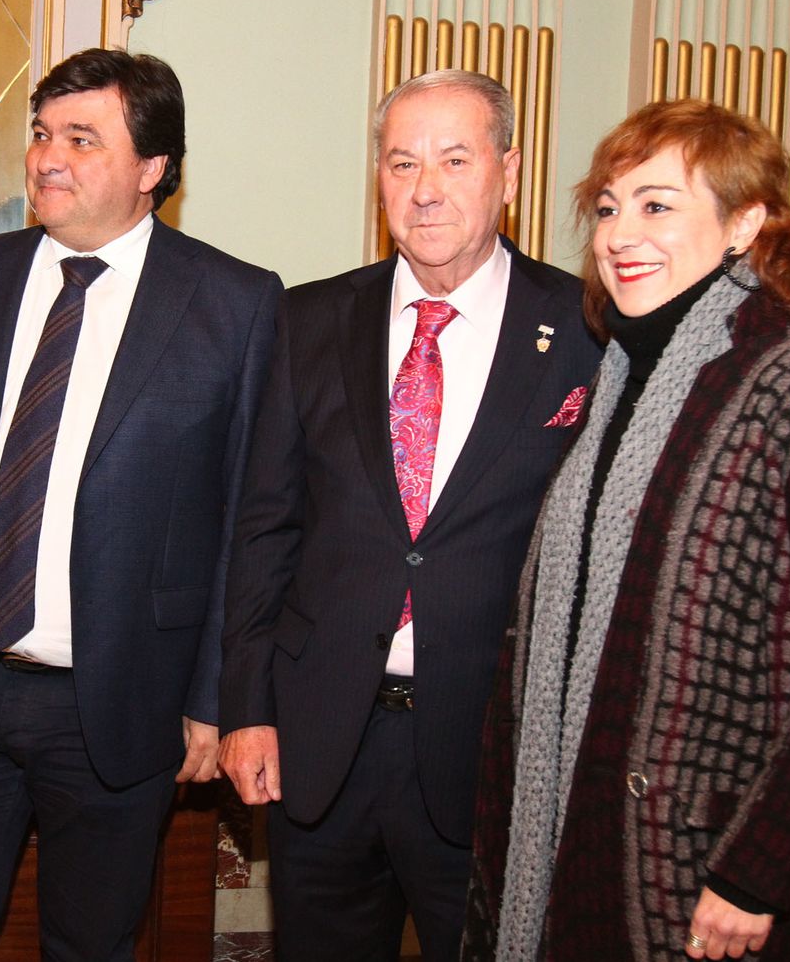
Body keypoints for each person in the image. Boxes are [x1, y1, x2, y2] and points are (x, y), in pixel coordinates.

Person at [0, 47, 282, 961]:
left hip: (119, 705)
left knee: (92, 943)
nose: (48, 158)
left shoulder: (235, 304)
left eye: (82, 138)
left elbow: (249, 520)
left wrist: (215, 696)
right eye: (42, 134)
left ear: (152, 168)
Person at [462, 99, 790, 961]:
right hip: (571, 844)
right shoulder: (621, 379)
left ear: (745, 223)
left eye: (658, 204)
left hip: (702, 871)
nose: (620, 232)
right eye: (607, 206)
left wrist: (758, 869)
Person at [218, 69, 602, 961]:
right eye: (402, 162)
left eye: (454, 159)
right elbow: (262, 528)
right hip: (321, 743)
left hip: (491, 752)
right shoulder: (307, 319)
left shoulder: (584, 329)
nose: (425, 188)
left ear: (509, 169)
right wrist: (246, 708)